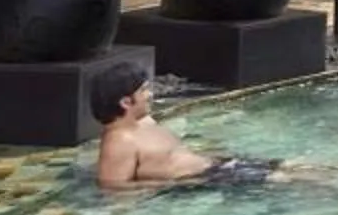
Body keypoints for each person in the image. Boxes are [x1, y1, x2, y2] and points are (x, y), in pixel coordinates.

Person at [90, 58, 279, 190]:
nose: (150, 95)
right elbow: (114, 188)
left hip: (218, 167)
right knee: (293, 178)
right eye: (144, 90)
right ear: (125, 102)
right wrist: (174, 185)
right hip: (206, 180)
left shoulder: (143, 122)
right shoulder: (119, 142)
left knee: (296, 168)